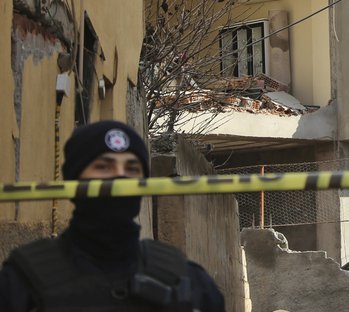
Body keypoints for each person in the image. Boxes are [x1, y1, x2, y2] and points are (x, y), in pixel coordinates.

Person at [0, 120, 225, 311]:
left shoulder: (188, 281)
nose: (120, 177)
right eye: (103, 167)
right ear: (74, 181)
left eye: (132, 169)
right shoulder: (21, 282)